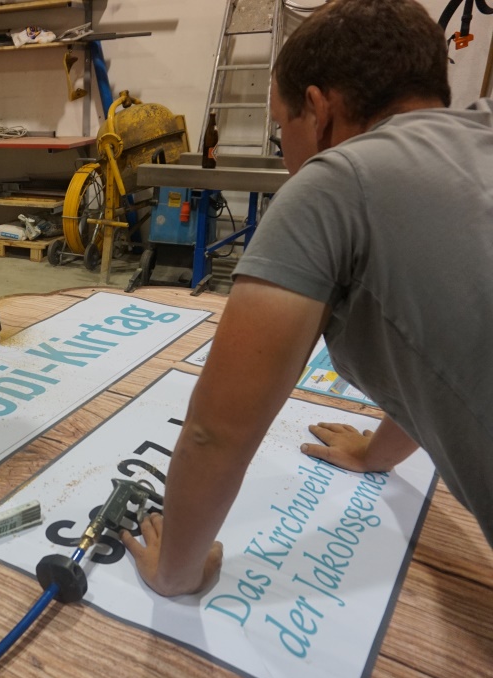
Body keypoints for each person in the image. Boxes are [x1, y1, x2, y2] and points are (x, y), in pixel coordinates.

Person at [121, 0, 493, 597]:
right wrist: (377, 454)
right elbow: (441, 338)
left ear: (318, 111)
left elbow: (216, 432)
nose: (283, 148)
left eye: (279, 128)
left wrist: (175, 572)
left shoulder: (336, 180)